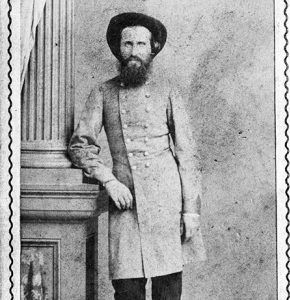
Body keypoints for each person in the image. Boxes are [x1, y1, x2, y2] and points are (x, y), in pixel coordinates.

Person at [68, 12, 206, 300]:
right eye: (127, 44)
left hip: (166, 205)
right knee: (128, 291)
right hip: (125, 202)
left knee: (168, 289)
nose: (134, 52)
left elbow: (187, 154)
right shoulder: (102, 92)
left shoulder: (168, 91)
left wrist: (190, 210)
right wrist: (109, 181)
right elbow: (80, 145)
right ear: (119, 49)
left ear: (153, 49)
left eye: (141, 44)